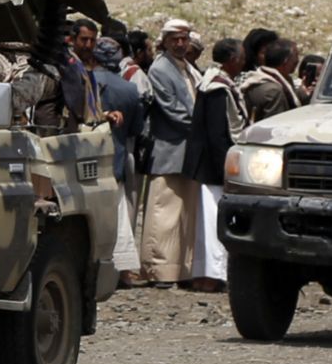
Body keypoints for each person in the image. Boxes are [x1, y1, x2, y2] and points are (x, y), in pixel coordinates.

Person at [140, 19, 200, 285]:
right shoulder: (160, 69)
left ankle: (181, 270)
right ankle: (158, 270)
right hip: (169, 150)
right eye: (175, 38)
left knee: (185, 215)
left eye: (184, 38)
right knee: (163, 214)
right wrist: (203, 128)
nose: (180, 43)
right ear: (163, 41)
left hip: (187, 150)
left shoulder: (186, 68)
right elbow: (173, 111)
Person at [186, 38, 247, 292]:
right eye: (241, 57)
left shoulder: (216, 84)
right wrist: (226, 167)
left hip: (211, 164)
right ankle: (212, 275)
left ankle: (207, 274)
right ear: (232, 59)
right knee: (213, 221)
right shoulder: (217, 89)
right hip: (214, 166)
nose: (244, 61)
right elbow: (217, 134)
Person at [89, 39, 145, 287]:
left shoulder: (87, 82)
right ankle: (122, 272)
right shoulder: (129, 90)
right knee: (121, 217)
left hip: (88, 157)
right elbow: (136, 129)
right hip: (118, 156)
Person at [240, 38, 305, 123]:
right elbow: (274, 125)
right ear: (286, 61)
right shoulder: (273, 91)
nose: (297, 60)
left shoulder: (258, 78)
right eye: (296, 56)